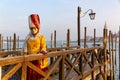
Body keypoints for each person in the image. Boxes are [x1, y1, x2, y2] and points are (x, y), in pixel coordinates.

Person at [22, 14, 49, 80]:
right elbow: (25, 47)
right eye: (31, 29)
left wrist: (43, 50)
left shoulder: (41, 36)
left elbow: (43, 46)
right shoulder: (28, 37)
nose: (33, 30)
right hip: (29, 59)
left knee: (37, 75)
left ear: (38, 28)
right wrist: (24, 55)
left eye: (35, 28)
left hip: (38, 60)